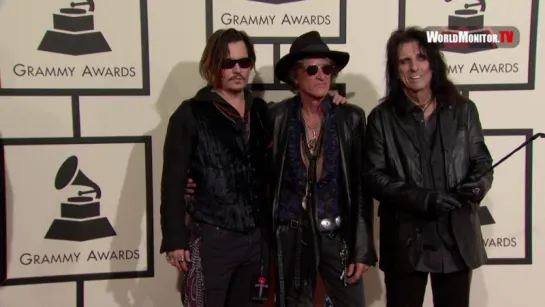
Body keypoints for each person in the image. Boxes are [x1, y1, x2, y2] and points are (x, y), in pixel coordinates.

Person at [162, 28, 346, 307]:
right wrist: (175, 239)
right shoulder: (191, 114)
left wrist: (330, 101)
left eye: (244, 62)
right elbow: (173, 181)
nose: (238, 69)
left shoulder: (262, 112)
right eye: (228, 63)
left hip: (256, 240)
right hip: (212, 236)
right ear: (213, 65)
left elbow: (298, 122)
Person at [362, 26, 493, 307]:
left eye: (420, 57)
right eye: (404, 61)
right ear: (395, 70)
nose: (414, 68)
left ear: (433, 61)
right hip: (406, 239)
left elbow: (482, 162)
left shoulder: (463, 110)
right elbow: (373, 176)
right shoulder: (381, 118)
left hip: (455, 235)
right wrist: (424, 198)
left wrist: (477, 185)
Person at [267, 30, 377, 307]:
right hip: (291, 238)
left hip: (335, 236)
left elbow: (361, 189)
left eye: (327, 69)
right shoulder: (276, 117)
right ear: (295, 76)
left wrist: (361, 250)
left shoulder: (350, 118)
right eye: (312, 69)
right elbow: (249, 168)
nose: (321, 75)